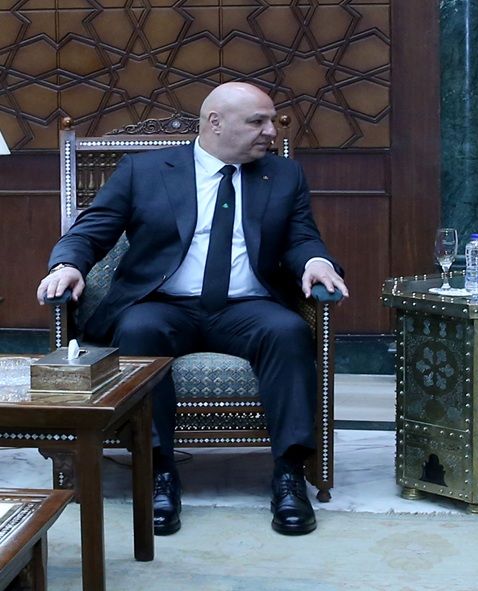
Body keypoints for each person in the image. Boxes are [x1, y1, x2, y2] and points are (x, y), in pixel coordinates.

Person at [35, 82, 349, 537]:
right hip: (164, 305)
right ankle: (159, 471)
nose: (271, 131)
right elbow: (92, 229)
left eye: (271, 121)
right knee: (138, 330)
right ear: (215, 122)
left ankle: (288, 474)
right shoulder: (144, 170)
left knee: (288, 332)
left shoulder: (283, 175)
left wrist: (317, 261)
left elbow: (301, 237)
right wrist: (67, 265)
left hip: (247, 307)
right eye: (257, 122)